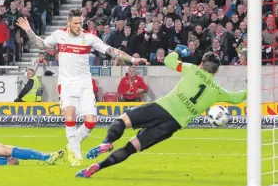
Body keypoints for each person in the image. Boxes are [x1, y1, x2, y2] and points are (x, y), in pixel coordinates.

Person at [76, 45, 247, 178]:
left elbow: (168, 61)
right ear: (216, 71)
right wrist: (250, 87)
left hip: (161, 108)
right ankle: (98, 167)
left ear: (201, 63)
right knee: (132, 147)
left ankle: (107, 141)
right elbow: (237, 98)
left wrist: (179, 51)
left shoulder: (191, 69)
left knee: (122, 121)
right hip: (172, 125)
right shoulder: (217, 90)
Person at [16, 8, 148, 166]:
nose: (79, 26)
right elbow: (41, 45)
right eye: (76, 23)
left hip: (85, 84)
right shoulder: (59, 35)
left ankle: (72, 145)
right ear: (68, 23)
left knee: (91, 121)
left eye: (81, 23)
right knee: (70, 115)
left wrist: (132, 60)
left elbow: (111, 50)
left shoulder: (89, 38)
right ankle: (76, 156)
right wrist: (28, 30)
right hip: (67, 83)